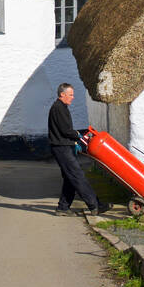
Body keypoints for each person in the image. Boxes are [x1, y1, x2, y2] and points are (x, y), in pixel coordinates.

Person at [48, 83, 109, 216]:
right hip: (62, 147)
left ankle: (63, 208)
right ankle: (95, 205)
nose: (73, 97)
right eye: (70, 95)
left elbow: (65, 130)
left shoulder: (61, 107)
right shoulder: (58, 108)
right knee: (77, 176)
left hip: (63, 146)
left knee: (70, 178)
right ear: (62, 94)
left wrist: (76, 136)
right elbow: (65, 130)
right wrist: (78, 135)